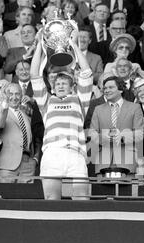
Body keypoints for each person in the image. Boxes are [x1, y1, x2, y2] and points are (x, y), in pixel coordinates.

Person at [31, 29, 93, 200]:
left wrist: (73, 44)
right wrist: (39, 45)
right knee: (52, 200)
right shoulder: (46, 102)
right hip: (52, 153)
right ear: (52, 87)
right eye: (57, 83)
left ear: (72, 87)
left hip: (76, 153)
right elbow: (34, 75)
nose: (60, 85)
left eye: (64, 83)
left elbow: (86, 71)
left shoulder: (80, 100)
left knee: (82, 200)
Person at [89, 75, 144, 177]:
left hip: (127, 161)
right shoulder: (98, 109)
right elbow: (92, 133)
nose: (106, 90)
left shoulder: (134, 108)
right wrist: (103, 138)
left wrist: (122, 137)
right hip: (103, 162)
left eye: (111, 87)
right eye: (105, 88)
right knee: (101, 192)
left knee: (125, 193)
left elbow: (140, 134)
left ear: (121, 90)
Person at [0, 82, 44, 182]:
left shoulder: (27, 115)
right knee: (6, 196)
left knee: (26, 197)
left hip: (27, 165)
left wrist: (35, 160)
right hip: (7, 165)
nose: (14, 97)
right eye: (10, 94)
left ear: (21, 96)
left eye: (17, 94)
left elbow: (35, 138)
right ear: (5, 95)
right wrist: (5, 102)